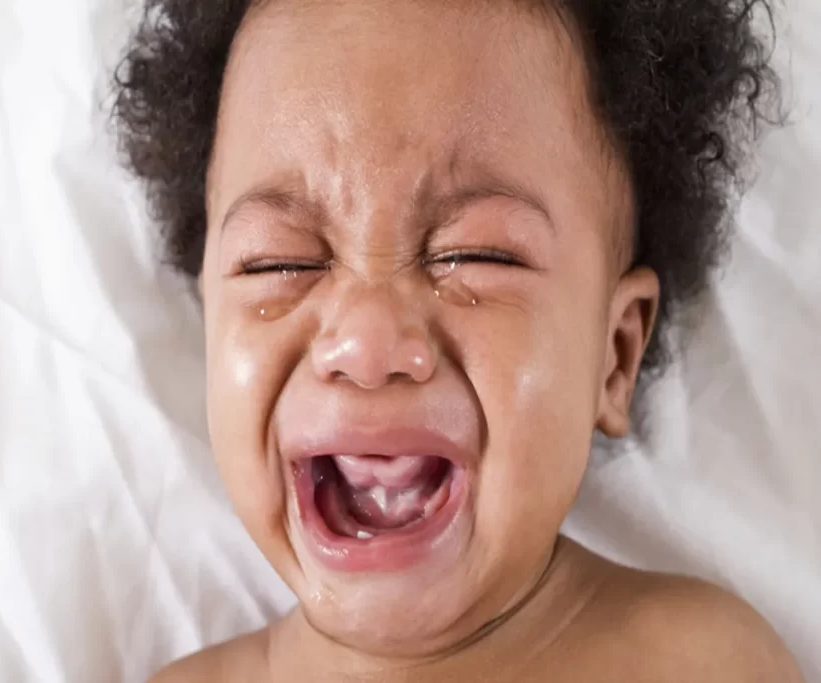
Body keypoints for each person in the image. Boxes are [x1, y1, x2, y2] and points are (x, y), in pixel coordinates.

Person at [114, 0, 804, 680]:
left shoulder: (698, 660)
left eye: (479, 255)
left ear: (613, 356)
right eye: (279, 262)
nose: (366, 342)